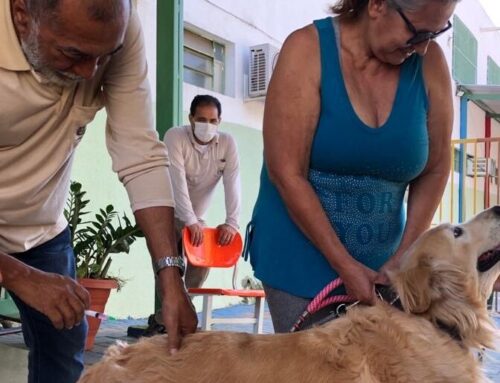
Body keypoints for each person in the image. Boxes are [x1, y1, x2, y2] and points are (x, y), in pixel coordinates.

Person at [0, 0, 197, 382]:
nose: (91, 72)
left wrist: (170, 279)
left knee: (63, 349)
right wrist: (20, 277)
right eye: (73, 54)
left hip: (42, 230)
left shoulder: (114, 31)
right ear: (22, 14)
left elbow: (139, 154)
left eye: (104, 57)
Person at [246, 0, 457, 333]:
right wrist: (343, 264)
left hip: (387, 261)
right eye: (416, 32)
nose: (423, 47)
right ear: (376, 5)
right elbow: (286, 173)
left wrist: (404, 255)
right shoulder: (306, 50)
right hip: (300, 255)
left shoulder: (430, 64)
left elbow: (435, 168)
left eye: (436, 33)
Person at [145, 94, 241, 334]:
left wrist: (232, 223)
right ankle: (168, 318)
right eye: (201, 119)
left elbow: (233, 183)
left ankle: (173, 314)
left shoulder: (227, 144)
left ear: (219, 121)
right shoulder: (175, 136)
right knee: (170, 264)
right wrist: (189, 221)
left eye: (213, 120)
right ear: (190, 118)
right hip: (166, 209)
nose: (207, 125)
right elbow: (176, 183)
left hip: (195, 217)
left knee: (201, 264)